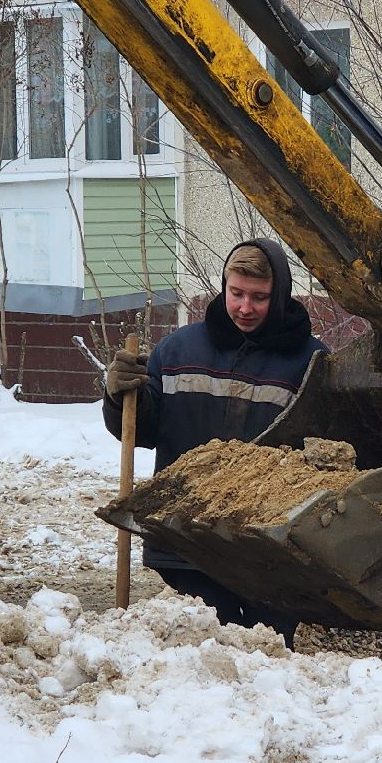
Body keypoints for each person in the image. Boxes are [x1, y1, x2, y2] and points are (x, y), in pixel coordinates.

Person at [102, 238, 327, 639]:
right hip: (185, 540)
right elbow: (139, 430)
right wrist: (120, 396)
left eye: (259, 297)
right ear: (224, 286)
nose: (244, 307)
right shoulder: (176, 352)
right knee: (209, 639)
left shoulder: (310, 363)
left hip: (267, 550)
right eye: (236, 293)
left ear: (279, 298)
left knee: (267, 647)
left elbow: (329, 455)